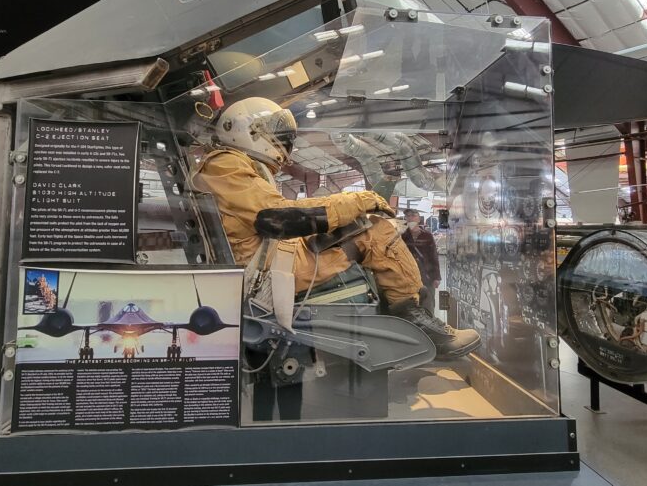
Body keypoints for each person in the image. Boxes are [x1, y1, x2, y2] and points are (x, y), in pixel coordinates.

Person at [192, 97, 480, 358]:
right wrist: (357, 201)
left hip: (270, 260)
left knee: (368, 228)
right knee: (377, 231)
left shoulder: (230, 166)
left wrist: (350, 208)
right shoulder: (225, 165)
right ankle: (418, 323)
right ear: (251, 130)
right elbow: (277, 219)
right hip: (268, 273)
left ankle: (413, 316)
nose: (286, 152)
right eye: (279, 138)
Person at [400, 209, 440, 312]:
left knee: (428, 303)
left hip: (427, 275)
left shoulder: (427, 236)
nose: (410, 218)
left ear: (418, 218)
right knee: (412, 304)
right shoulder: (402, 236)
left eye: (413, 215)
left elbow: (433, 256)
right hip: (409, 276)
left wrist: (436, 277)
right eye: (408, 216)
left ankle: (430, 323)